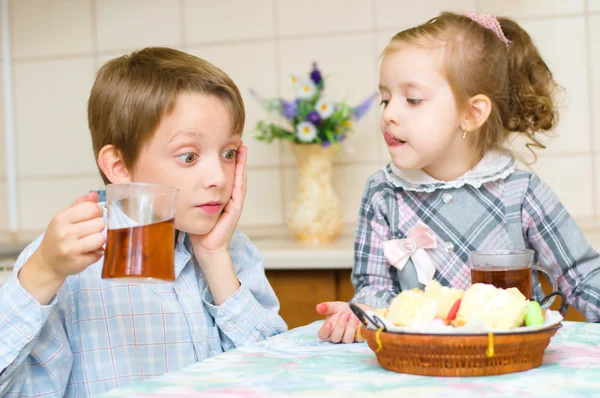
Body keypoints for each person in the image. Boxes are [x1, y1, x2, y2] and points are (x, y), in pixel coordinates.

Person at [0, 47, 287, 396]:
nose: (218, 177)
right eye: (189, 156)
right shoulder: (66, 264)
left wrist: (215, 260)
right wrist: (43, 272)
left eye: (228, 154)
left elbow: (279, 375)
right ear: (119, 167)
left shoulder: (232, 250)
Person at [317, 11, 600, 344]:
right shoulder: (384, 193)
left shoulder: (520, 192)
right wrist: (360, 311)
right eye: (385, 99)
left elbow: (582, 277)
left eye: (412, 100)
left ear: (471, 113)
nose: (390, 114)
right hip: (423, 372)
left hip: (515, 369)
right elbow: (374, 289)